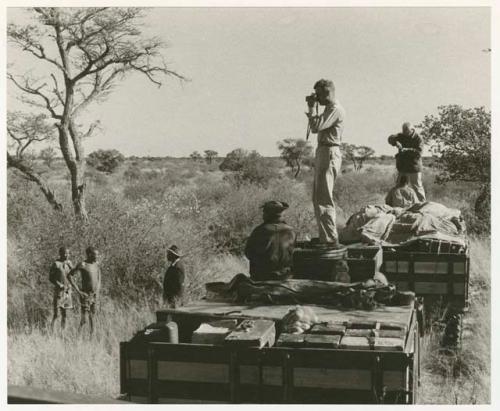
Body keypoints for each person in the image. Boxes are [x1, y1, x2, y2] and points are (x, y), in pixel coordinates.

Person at [305, 79, 346, 246]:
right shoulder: (330, 109)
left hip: (329, 152)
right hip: (324, 151)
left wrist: (311, 108)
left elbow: (316, 127)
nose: (317, 99)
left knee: (323, 198)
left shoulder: (335, 109)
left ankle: (329, 239)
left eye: (319, 95)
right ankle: (326, 237)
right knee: (319, 197)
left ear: (327, 92)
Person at [245, 201, 296, 281]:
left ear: (268, 214)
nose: (263, 215)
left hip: (262, 277)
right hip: (285, 277)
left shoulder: (259, 231)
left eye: (264, 212)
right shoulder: (291, 231)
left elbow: (248, 253)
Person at [388, 122, 426, 201]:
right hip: (403, 167)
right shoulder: (401, 136)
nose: (405, 133)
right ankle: (397, 204)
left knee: (417, 187)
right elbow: (390, 138)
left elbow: (419, 152)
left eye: (407, 131)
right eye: (404, 131)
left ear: (412, 130)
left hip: (414, 167)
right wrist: (395, 142)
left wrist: (406, 150)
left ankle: (423, 205)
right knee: (399, 187)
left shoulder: (418, 138)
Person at [68, 246, 101, 335]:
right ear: (89, 254)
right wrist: (79, 291)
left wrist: (98, 289)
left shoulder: (96, 264)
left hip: (94, 295)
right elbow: (70, 276)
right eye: (95, 254)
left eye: (97, 254)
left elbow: (99, 276)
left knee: (93, 317)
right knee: (84, 319)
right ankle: (77, 336)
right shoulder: (82, 264)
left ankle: (92, 337)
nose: (97, 256)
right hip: (85, 295)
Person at [49, 246, 74, 332]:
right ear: (60, 254)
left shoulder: (69, 263)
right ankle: (52, 332)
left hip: (67, 291)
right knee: (57, 314)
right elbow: (51, 278)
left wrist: (71, 267)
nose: (66, 255)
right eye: (64, 253)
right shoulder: (56, 264)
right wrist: (58, 284)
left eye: (68, 253)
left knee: (65, 314)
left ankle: (62, 332)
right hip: (59, 291)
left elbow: (72, 275)